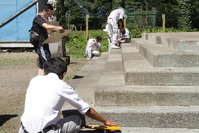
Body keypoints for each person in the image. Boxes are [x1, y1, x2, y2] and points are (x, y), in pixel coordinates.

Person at [19, 57, 119, 133]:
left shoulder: (35, 80)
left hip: (23, 129)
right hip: (45, 131)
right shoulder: (61, 85)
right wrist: (105, 121)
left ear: (45, 71)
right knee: (76, 119)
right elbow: (85, 109)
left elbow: (40, 73)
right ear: (64, 73)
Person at [30, 4, 65, 75]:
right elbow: (47, 27)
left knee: (42, 65)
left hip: (45, 43)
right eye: (48, 13)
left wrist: (60, 36)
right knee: (46, 64)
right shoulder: (38, 18)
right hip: (40, 44)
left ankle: (40, 81)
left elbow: (50, 32)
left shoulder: (45, 19)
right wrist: (59, 28)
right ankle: (45, 81)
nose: (49, 16)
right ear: (44, 11)